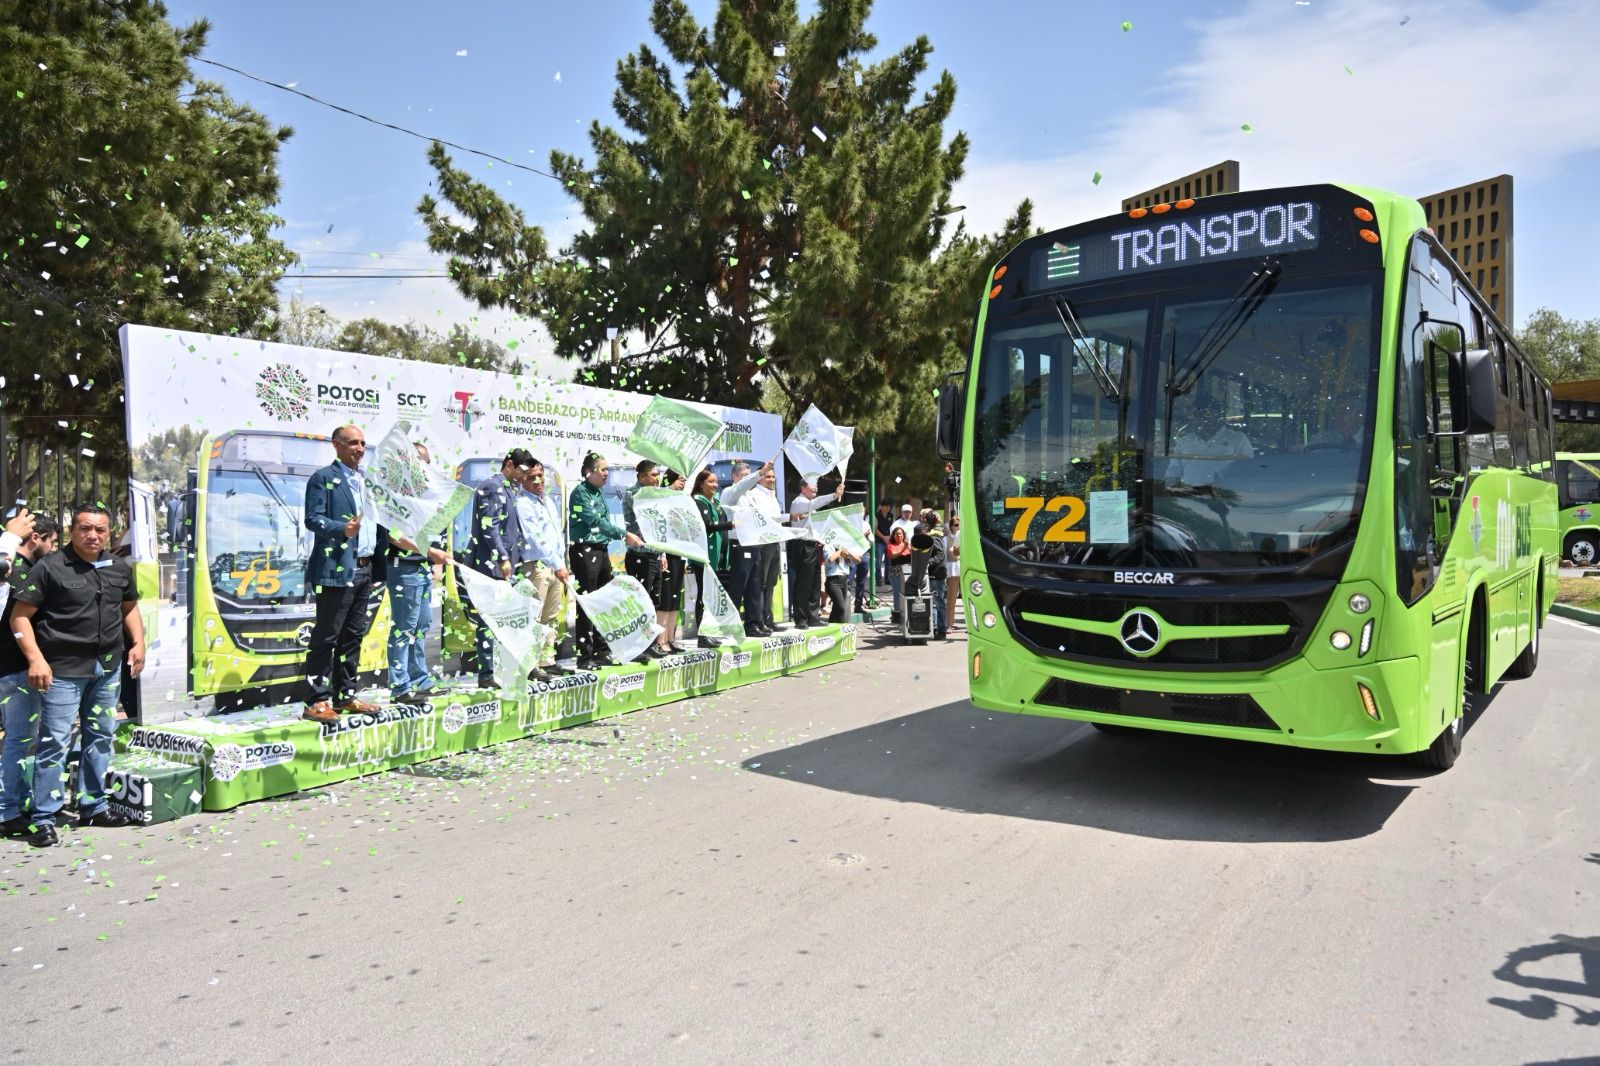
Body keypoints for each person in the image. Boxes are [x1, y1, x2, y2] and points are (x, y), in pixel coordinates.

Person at [4, 505, 143, 847]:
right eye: (85, 528)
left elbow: (129, 607)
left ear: (109, 532)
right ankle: (43, 817)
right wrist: (36, 660)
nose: (92, 535)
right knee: (55, 743)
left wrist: (138, 642)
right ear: (72, 530)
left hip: (106, 668)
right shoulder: (49, 568)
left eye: (100, 530)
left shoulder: (118, 567)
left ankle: (93, 805)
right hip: (62, 670)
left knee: (100, 736)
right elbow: (19, 618)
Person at [302, 426, 385, 722]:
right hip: (335, 570)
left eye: (363, 443)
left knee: (352, 637)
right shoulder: (323, 478)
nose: (359, 448)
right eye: (352, 443)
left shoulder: (365, 482)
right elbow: (312, 520)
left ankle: (345, 695)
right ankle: (316, 700)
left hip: (364, 569)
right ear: (336, 446)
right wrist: (342, 529)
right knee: (326, 637)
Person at [0, 512, 61, 846]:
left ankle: (14, 803)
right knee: (19, 741)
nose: (53, 549)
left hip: (12, 667)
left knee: (18, 739)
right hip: (17, 667)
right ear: (36, 538)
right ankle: (8, 811)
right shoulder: (19, 571)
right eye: (51, 541)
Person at [383, 441, 450, 706]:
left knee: (421, 626)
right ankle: (400, 687)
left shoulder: (427, 497)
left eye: (428, 463)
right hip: (403, 569)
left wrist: (436, 561)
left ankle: (419, 681)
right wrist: (430, 552)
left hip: (422, 568)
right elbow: (393, 536)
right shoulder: (393, 495)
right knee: (404, 628)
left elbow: (438, 530)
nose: (426, 469)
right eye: (422, 463)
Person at [463, 448, 534, 688]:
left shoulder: (511, 489)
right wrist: (503, 557)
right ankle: (486, 674)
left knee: (503, 621)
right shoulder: (491, 487)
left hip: (507, 566)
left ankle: (499, 669)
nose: (525, 477)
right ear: (509, 464)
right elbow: (489, 527)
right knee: (489, 621)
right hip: (491, 565)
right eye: (523, 471)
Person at [569, 452, 643, 670]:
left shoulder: (599, 493)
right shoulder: (580, 494)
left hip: (601, 550)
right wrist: (624, 534)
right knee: (587, 604)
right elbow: (595, 522)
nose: (606, 474)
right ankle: (585, 656)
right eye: (602, 469)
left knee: (603, 602)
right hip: (585, 550)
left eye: (607, 469)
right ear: (588, 472)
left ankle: (602, 651)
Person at [514, 458, 571, 681]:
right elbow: (536, 539)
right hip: (537, 566)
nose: (538, 480)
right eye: (531, 477)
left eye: (540, 475)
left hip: (555, 564)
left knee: (551, 616)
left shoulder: (547, 501)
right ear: (523, 480)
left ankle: (547, 660)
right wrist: (558, 564)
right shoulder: (523, 503)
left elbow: (557, 535)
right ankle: (531, 664)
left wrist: (561, 563)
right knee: (534, 618)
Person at [722, 461, 780, 635]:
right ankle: (729, 626)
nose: (748, 480)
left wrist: (788, 517)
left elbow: (763, 518)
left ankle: (753, 623)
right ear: (734, 477)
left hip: (754, 543)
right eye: (744, 476)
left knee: (755, 587)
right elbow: (742, 487)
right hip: (738, 545)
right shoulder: (730, 492)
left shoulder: (751, 496)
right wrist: (760, 473)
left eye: (749, 475)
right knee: (737, 588)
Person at [622, 459, 669, 659]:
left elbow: (659, 527)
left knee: (654, 601)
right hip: (639, 555)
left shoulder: (654, 495)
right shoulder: (633, 494)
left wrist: (662, 553)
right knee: (641, 603)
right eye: (654, 475)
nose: (657, 479)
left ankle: (650, 643)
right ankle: (637, 645)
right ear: (642, 477)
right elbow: (641, 519)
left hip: (654, 554)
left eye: (658, 475)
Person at [786, 478, 843, 629]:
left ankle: (812, 617)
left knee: (815, 584)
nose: (816, 488)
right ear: (803, 488)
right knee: (803, 584)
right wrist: (834, 495)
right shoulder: (799, 502)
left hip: (814, 546)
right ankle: (801, 619)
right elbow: (815, 503)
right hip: (802, 546)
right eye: (813, 485)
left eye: (817, 485)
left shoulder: (811, 506)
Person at [691, 469, 736, 648]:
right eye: (711, 482)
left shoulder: (715, 502)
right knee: (704, 595)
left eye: (716, 481)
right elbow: (708, 524)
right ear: (701, 484)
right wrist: (731, 524)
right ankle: (702, 636)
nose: (715, 485)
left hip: (718, 557)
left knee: (713, 596)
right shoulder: (698, 501)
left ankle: (710, 632)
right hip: (705, 557)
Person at [1170, 397, 1253, 487]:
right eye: (1196, 415)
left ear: (1217, 416)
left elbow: (1248, 471)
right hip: (1188, 496)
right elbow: (1174, 470)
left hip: (1227, 496)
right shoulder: (1184, 441)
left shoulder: (1238, 439)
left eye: (1206, 415)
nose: (1201, 419)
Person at [652, 469, 689, 654]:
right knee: (665, 598)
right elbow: (658, 528)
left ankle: (671, 638)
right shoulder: (661, 500)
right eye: (679, 480)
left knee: (675, 598)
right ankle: (660, 639)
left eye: (684, 480)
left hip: (679, 553)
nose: (682, 483)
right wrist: (663, 554)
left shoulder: (680, 501)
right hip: (666, 553)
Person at [920, 509, 948, 639]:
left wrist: (928, 562)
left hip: (937, 574)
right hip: (935, 574)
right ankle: (936, 627)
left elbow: (940, 554)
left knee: (938, 602)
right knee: (934, 602)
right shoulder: (935, 534)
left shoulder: (934, 536)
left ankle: (941, 630)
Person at [823, 545, 859, 623]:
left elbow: (858, 560)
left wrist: (849, 553)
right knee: (841, 608)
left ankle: (832, 626)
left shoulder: (845, 548)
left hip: (844, 580)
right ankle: (841, 627)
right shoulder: (828, 547)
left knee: (836, 608)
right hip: (833, 580)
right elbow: (830, 559)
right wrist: (840, 550)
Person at [945, 515, 962, 630]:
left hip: (964, 568)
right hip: (952, 570)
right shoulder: (946, 539)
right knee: (951, 598)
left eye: (960, 525)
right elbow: (945, 557)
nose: (958, 527)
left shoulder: (964, 537)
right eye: (956, 525)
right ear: (951, 526)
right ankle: (949, 624)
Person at [873, 500, 894, 594]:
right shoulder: (876, 515)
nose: (888, 508)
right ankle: (878, 580)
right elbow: (875, 529)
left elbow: (891, 528)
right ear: (881, 507)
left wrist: (889, 538)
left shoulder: (891, 516)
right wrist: (883, 537)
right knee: (878, 562)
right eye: (886, 506)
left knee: (888, 562)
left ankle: (887, 579)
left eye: (889, 506)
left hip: (888, 541)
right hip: (879, 541)